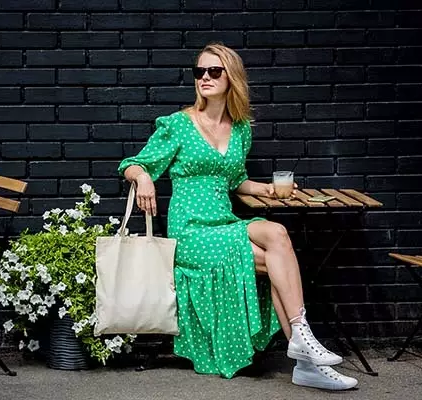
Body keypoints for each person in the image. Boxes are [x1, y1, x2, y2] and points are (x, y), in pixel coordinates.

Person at [117, 43, 358, 391]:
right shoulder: (178, 125)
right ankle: (306, 356)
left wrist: (267, 189)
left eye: (214, 71)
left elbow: (235, 181)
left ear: (231, 78)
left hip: (225, 224)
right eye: (200, 71)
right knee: (274, 254)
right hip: (192, 233)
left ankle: (303, 350)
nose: (205, 77)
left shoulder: (241, 129)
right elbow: (133, 164)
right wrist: (142, 178)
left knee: (276, 237)